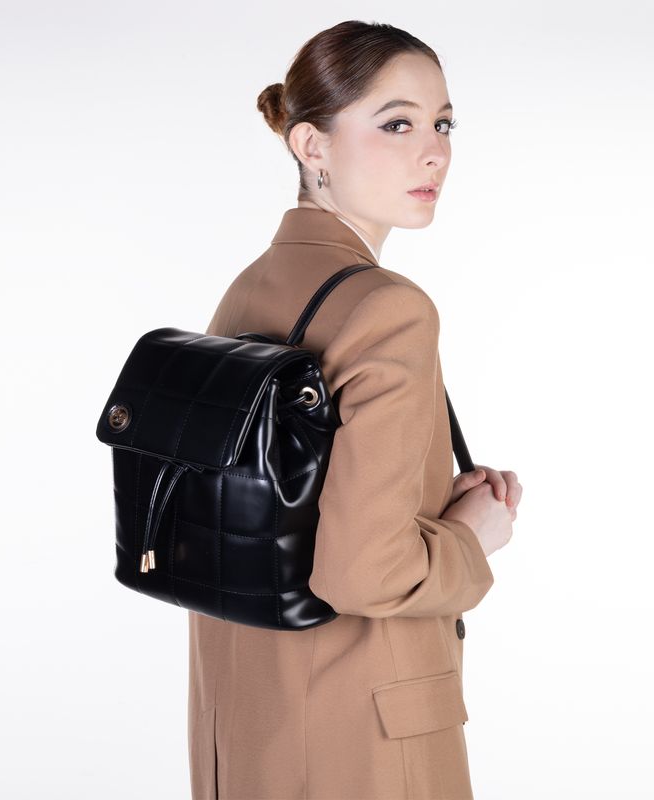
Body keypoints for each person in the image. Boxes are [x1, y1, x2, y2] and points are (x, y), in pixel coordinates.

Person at [188, 19, 522, 800]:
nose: (434, 152)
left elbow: (281, 513)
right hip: (363, 740)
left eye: (442, 124)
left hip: (246, 724)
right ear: (312, 145)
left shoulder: (248, 291)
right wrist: (471, 540)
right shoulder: (388, 309)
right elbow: (364, 574)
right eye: (397, 124)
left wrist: (429, 503)